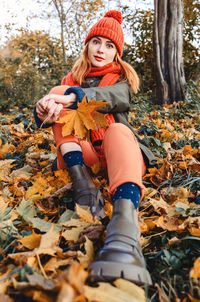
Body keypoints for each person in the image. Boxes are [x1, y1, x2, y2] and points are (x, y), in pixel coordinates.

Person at [34, 10, 156, 285]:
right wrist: (44, 109)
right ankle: (84, 189)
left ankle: (125, 225)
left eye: (109, 45)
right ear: (87, 45)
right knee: (56, 92)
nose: (101, 49)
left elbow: (110, 99)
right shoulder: (70, 80)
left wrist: (71, 98)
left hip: (120, 156)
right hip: (85, 159)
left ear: (117, 53)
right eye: (96, 41)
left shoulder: (121, 82)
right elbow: (57, 106)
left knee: (116, 129)